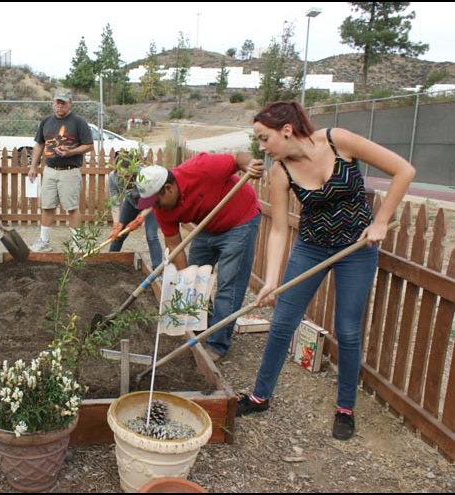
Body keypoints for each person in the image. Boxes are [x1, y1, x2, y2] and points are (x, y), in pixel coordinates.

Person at [238, 101, 416, 441]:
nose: (261, 147)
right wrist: (273, 281)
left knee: (347, 331)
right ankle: (260, 396)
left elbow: (404, 170)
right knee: (282, 321)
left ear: (286, 130)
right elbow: (277, 230)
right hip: (311, 247)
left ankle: (345, 408)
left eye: (264, 138)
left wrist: (380, 221)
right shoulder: (280, 173)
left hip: (357, 249)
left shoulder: (338, 140)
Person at [134, 153, 265, 362]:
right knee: (195, 277)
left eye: (156, 202)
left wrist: (250, 164)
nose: (155, 207)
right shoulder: (163, 209)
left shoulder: (202, 167)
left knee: (228, 285)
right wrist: (186, 278)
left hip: (240, 221)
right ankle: (203, 325)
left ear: (168, 188)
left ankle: (217, 344)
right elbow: (174, 245)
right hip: (207, 226)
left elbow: (238, 159)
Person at [27, 88, 94, 252]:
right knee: (47, 206)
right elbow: (39, 144)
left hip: (70, 171)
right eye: (57, 102)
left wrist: (71, 152)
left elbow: (89, 146)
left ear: (70, 103)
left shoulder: (79, 122)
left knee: (71, 208)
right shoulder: (46, 122)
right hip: (49, 170)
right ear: (53, 103)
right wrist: (33, 166)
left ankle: (77, 243)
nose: (60, 105)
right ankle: (44, 241)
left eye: (63, 102)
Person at [106, 160, 163, 269]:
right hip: (131, 202)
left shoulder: (144, 176)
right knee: (119, 234)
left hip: (151, 204)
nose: (126, 180)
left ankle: (157, 270)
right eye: (122, 176)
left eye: (128, 176)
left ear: (134, 171)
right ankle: (109, 261)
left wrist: (140, 218)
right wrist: (116, 224)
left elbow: (155, 198)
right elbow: (115, 203)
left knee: (151, 236)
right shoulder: (112, 177)